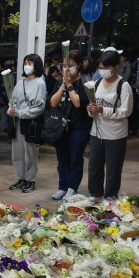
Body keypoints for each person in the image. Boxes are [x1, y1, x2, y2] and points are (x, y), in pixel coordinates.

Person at [86, 49, 133, 201]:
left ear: (115, 66)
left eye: (106, 68)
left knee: (113, 167)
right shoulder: (97, 83)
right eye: (100, 68)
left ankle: (110, 196)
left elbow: (126, 111)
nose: (102, 71)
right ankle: (95, 193)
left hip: (115, 133)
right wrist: (91, 110)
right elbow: (93, 104)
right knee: (94, 165)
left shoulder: (123, 85)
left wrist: (103, 110)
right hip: (97, 131)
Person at [49, 50, 91, 200]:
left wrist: (69, 84)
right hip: (62, 127)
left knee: (75, 157)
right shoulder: (59, 82)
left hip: (79, 127)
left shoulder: (85, 83)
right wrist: (63, 84)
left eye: (70, 65)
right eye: (64, 65)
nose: (66, 68)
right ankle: (62, 187)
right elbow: (53, 103)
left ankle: (72, 187)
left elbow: (78, 102)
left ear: (78, 65)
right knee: (62, 158)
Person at [7, 53, 48, 192]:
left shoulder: (40, 83)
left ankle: (31, 180)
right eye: (25, 63)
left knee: (30, 153)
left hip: (31, 123)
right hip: (17, 122)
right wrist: (10, 110)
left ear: (37, 65)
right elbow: (12, 100)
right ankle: (21, 178)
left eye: (30, 63)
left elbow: (39, 107)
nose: (27, 66)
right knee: (17, 153)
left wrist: (21, 113)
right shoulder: (20, 83)